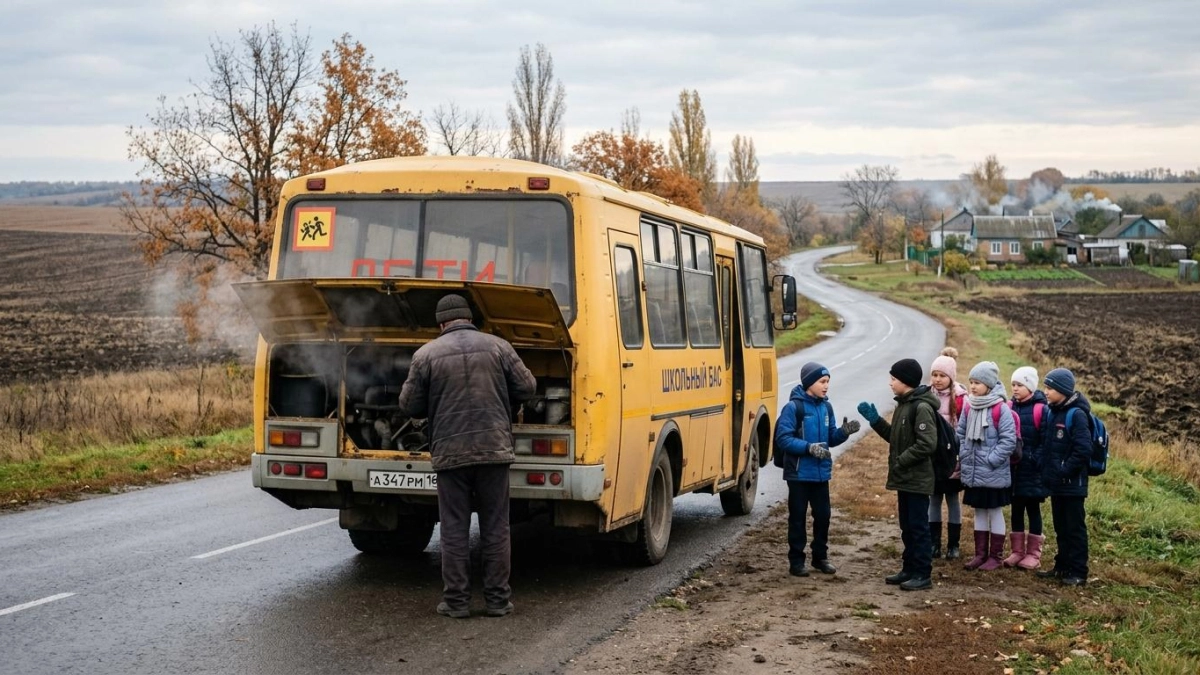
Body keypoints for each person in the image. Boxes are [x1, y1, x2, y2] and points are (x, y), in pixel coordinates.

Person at [397, 293, 537, 618]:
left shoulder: (425, 355)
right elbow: (527, 387)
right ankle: (498, 601)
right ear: (470, 318)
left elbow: (409, 405)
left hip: (450, 453)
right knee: (496, 527)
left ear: (441, 323)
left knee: (454, 528)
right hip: (494, 450)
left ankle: (457, 602)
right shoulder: (499, 347)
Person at [857, 358, 939, 591]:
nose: (890, 383)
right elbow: (896, 438)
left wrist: (902, 461)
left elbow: (927, 444)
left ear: (906, 381)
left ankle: (923, 573)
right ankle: (909, 568)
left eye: (894, 379)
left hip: (917, 479)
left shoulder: (921, 407)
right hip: (905, 478)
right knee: (907, 526)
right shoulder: (903, 404)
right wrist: (875, 421)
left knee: (918, 527)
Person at [774, 362, 859, 577]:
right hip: (799, 473)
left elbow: (830, 438)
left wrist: (843, 432)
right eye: (822, 382)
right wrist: (808, 448)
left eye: (828, 381)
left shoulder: (826, 407)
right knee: (798, 517)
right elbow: (783, 439)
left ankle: (820, 557)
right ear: (809, 383)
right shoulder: (794, 408)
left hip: (821, 473)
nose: (826, 386)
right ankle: (796, 560)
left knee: (823, 516)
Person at [955, 361, 1017, 572]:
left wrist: (990, 460)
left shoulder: (1001, 409)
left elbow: (1008, 440)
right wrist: (964, 453)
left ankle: (995, 556)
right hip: (973, 471)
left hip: (992, 472)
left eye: (978, 383)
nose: (972, 386)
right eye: (971, 382)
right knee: (979, 511)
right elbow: (960, 433)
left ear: (989, 385)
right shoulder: (969, 406)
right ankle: (979, 554)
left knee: (994, 511)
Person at [1036, 368, 1093, 587]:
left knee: (1074, 528)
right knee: (1061, 526)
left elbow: (1083, 449)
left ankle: (1078, 572)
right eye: (1045, 387)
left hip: (1072, 484)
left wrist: (1063, 470)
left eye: (1050, 388)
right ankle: (1062, 566)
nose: (1046, 392)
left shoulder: (1076, 414)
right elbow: (1046, 444)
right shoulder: (1052, 412)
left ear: (1063, 390)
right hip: (1057, 483)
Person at [1004, 366, 1050, 570]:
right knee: (1016, 509)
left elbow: (1045, 441)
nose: (1015, 388)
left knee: (1033, 509)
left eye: (1019, 385)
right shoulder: (1009, 406)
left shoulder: (1041, 409)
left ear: (1030, 387)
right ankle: (1017, 551)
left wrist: (1033, 458)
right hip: (1013, 469)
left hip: (1032, 470)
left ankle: (1033, 554)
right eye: (1013, 384)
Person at [928, 347, 967, 560]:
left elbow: (964, 428)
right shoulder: (926, 395)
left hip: (953, 459)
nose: (937, 379)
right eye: (934, 375)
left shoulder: (961, 398)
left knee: (952, 500)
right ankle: (934, 543)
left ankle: (954, 545)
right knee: (934, 499)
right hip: (933, 458)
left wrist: (957, 451)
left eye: (942, 375)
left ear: (951, 377)